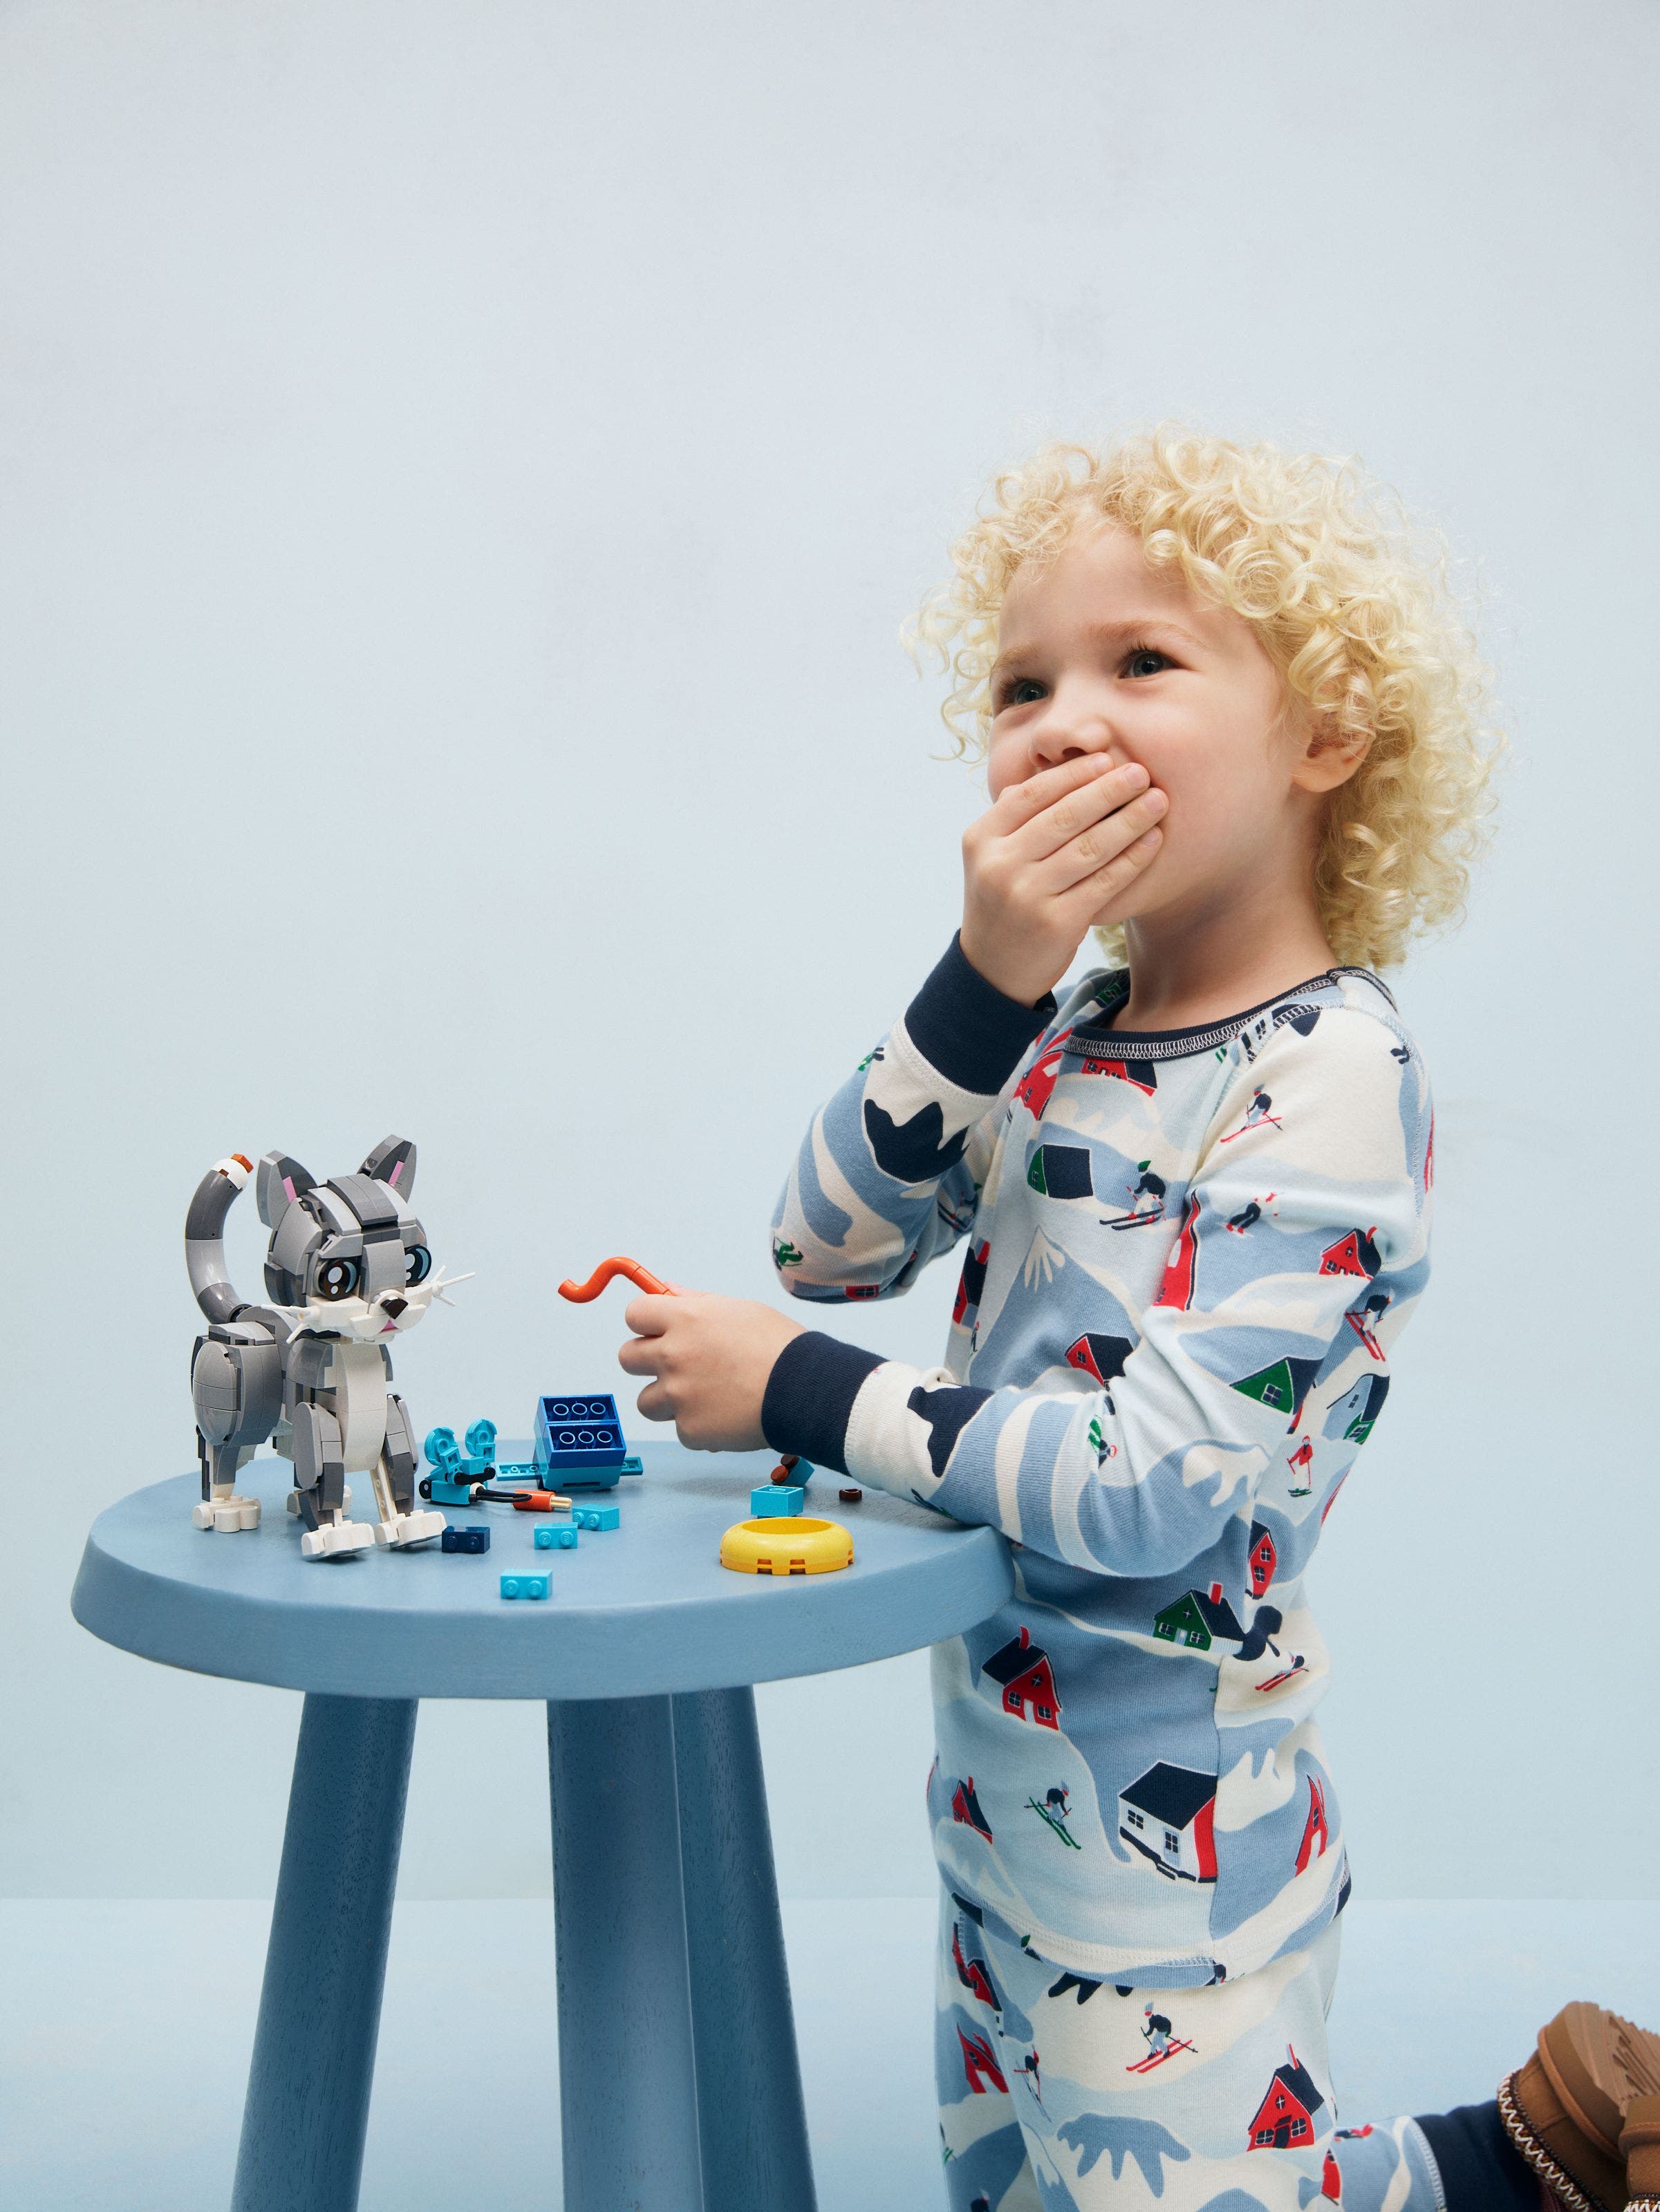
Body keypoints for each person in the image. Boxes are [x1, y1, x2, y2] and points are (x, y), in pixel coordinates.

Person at [614, 429, 1660, 2210]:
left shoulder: (1329, 1072)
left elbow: (1155, 1489)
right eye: (1022, 685)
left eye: (1142, 663)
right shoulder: (1056, 1028)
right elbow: (827, 1246)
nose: (1057, 720)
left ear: (1325, 739)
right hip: (998, 1798)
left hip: (1180, 1851)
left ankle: (1527, 2156)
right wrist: (984, 978)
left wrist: (799, 1397)